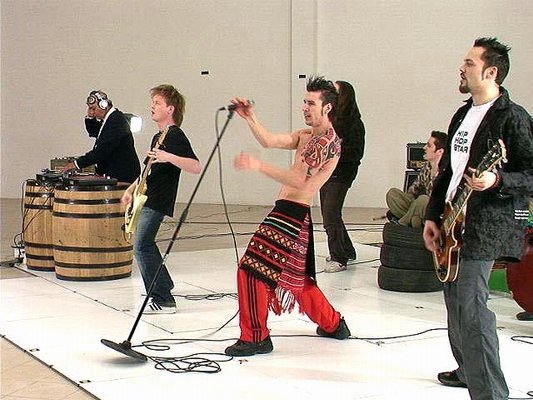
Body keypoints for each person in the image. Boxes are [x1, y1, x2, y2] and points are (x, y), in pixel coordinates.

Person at [423, 38, 533, 400]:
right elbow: (449, 173)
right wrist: (432, 216)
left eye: (469, 63)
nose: (462, 67)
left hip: (486, 227)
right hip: (452, 222)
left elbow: (531, 174)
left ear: (491, 72)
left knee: (471, 309)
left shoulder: (513, 117)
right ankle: (467, 370)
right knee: (455, 303)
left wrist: (496, 180)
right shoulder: (462, 114)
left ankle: (492, 394)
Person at [225, 76, 351, 357]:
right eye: (304, 102)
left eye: (311, 103)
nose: (305, 108)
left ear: (327, 107)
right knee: (295, 279)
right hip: (287, 212)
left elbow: (299, 181)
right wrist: (250, 117)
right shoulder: (306, 136)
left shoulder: (327, 143)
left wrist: (258, 165)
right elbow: (269, 140)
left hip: (292, 216)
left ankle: (256, 337)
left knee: (251, 270)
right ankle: (334, 324)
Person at [121, 84, 201, 314]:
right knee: (144, 245)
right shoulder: (159, 136)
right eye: (152, 102)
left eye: (157, 103)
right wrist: (131, 189)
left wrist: (168, 156)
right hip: (146, 197)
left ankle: (163, 299)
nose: (152, 106)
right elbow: (147, 170)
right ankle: (162, 285)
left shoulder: (175, 135)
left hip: (158, 199)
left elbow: (195, 166)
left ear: (170, 109)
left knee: (142, 246)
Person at [320, 80, 365, 273]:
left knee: (330, 213)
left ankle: (339, 258)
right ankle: (346, 249)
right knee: (330, 213)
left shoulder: (354, 123)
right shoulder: (330, 120)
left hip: (342, 173)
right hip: (326, 172)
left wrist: (336, 149)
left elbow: (356, 153)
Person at [62, 90, 141, 183]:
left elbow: (102, 151)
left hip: (122, 176)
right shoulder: (110, 119)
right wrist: (90, 117)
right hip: (116, 174)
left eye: (93, 109)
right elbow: (94, 132)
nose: (92, 112)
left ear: (104, 105)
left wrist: (76, 164)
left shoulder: (116, 121)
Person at [385, 130, 447, 228]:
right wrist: (411, 202)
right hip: (420, 208)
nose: (424, 147)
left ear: (440, 151)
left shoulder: (447, 171)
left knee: (423, 200)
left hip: (436, 213)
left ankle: (402, 223)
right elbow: (414, 189)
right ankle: (415, 220)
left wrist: (419, 203)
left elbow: (440, 202)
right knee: (392, 194)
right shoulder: (427, 166)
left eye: (429, 146)